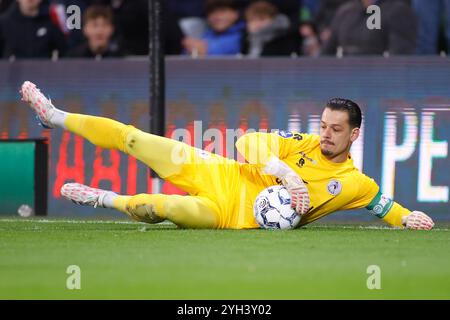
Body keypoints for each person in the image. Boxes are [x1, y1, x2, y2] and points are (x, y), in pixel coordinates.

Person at [20, 81, 435, 230]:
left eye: (335, 130)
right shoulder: (301, 144)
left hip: (230, 217)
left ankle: (101, 198)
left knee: (156, 206)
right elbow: (246, 143)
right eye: (323, 125)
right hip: (218, 172)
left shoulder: (355, 185)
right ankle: (54, 115)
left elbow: (386, 206)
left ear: (354, 134)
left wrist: (408, 217)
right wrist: (285, 174)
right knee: (134, 139)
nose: (325, 135)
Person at [322, 0, 417, 56]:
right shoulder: (346, 11)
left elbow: (399, 61)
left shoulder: (398, 12)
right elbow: (326, 54)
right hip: (343, 80)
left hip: (376, 82)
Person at [0, 0, 67, 59]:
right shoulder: (4, 23)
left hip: (44, 71)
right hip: (11, 71)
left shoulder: (51, 21)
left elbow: (64, 51)